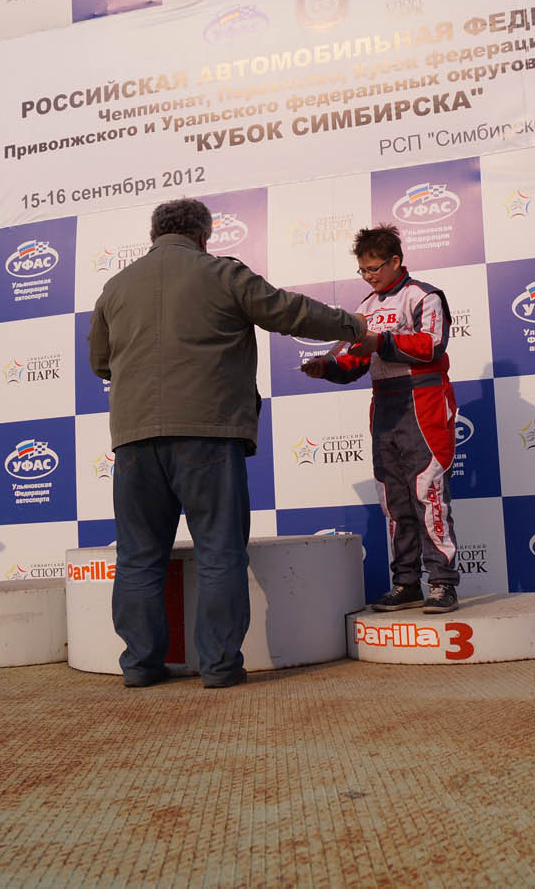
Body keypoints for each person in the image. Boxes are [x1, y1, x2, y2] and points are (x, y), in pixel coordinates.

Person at [89, 198, 367, 689]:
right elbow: (289, 312)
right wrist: (354, 326)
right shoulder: (221, 273)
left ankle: (140, 666)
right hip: (208, 434)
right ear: (203, 236)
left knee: (137, 558)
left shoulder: (116, 286)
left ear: (154, 234)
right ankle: (218, 667)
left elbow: (99, 362)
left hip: (134, 440)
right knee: (219, 553)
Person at [301, 224, 460, 613]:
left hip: (423, 400)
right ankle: (406, 583)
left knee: (427, 492)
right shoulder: (367, 306)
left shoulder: (424, 295)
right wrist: (328, 368)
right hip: (384, 402)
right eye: (363, 270)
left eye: (374, 268)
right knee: (394, 500)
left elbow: (432, 345)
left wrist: (381, 341)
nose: (369, 276)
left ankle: (442, 583)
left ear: (395, 261)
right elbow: (356, 361)